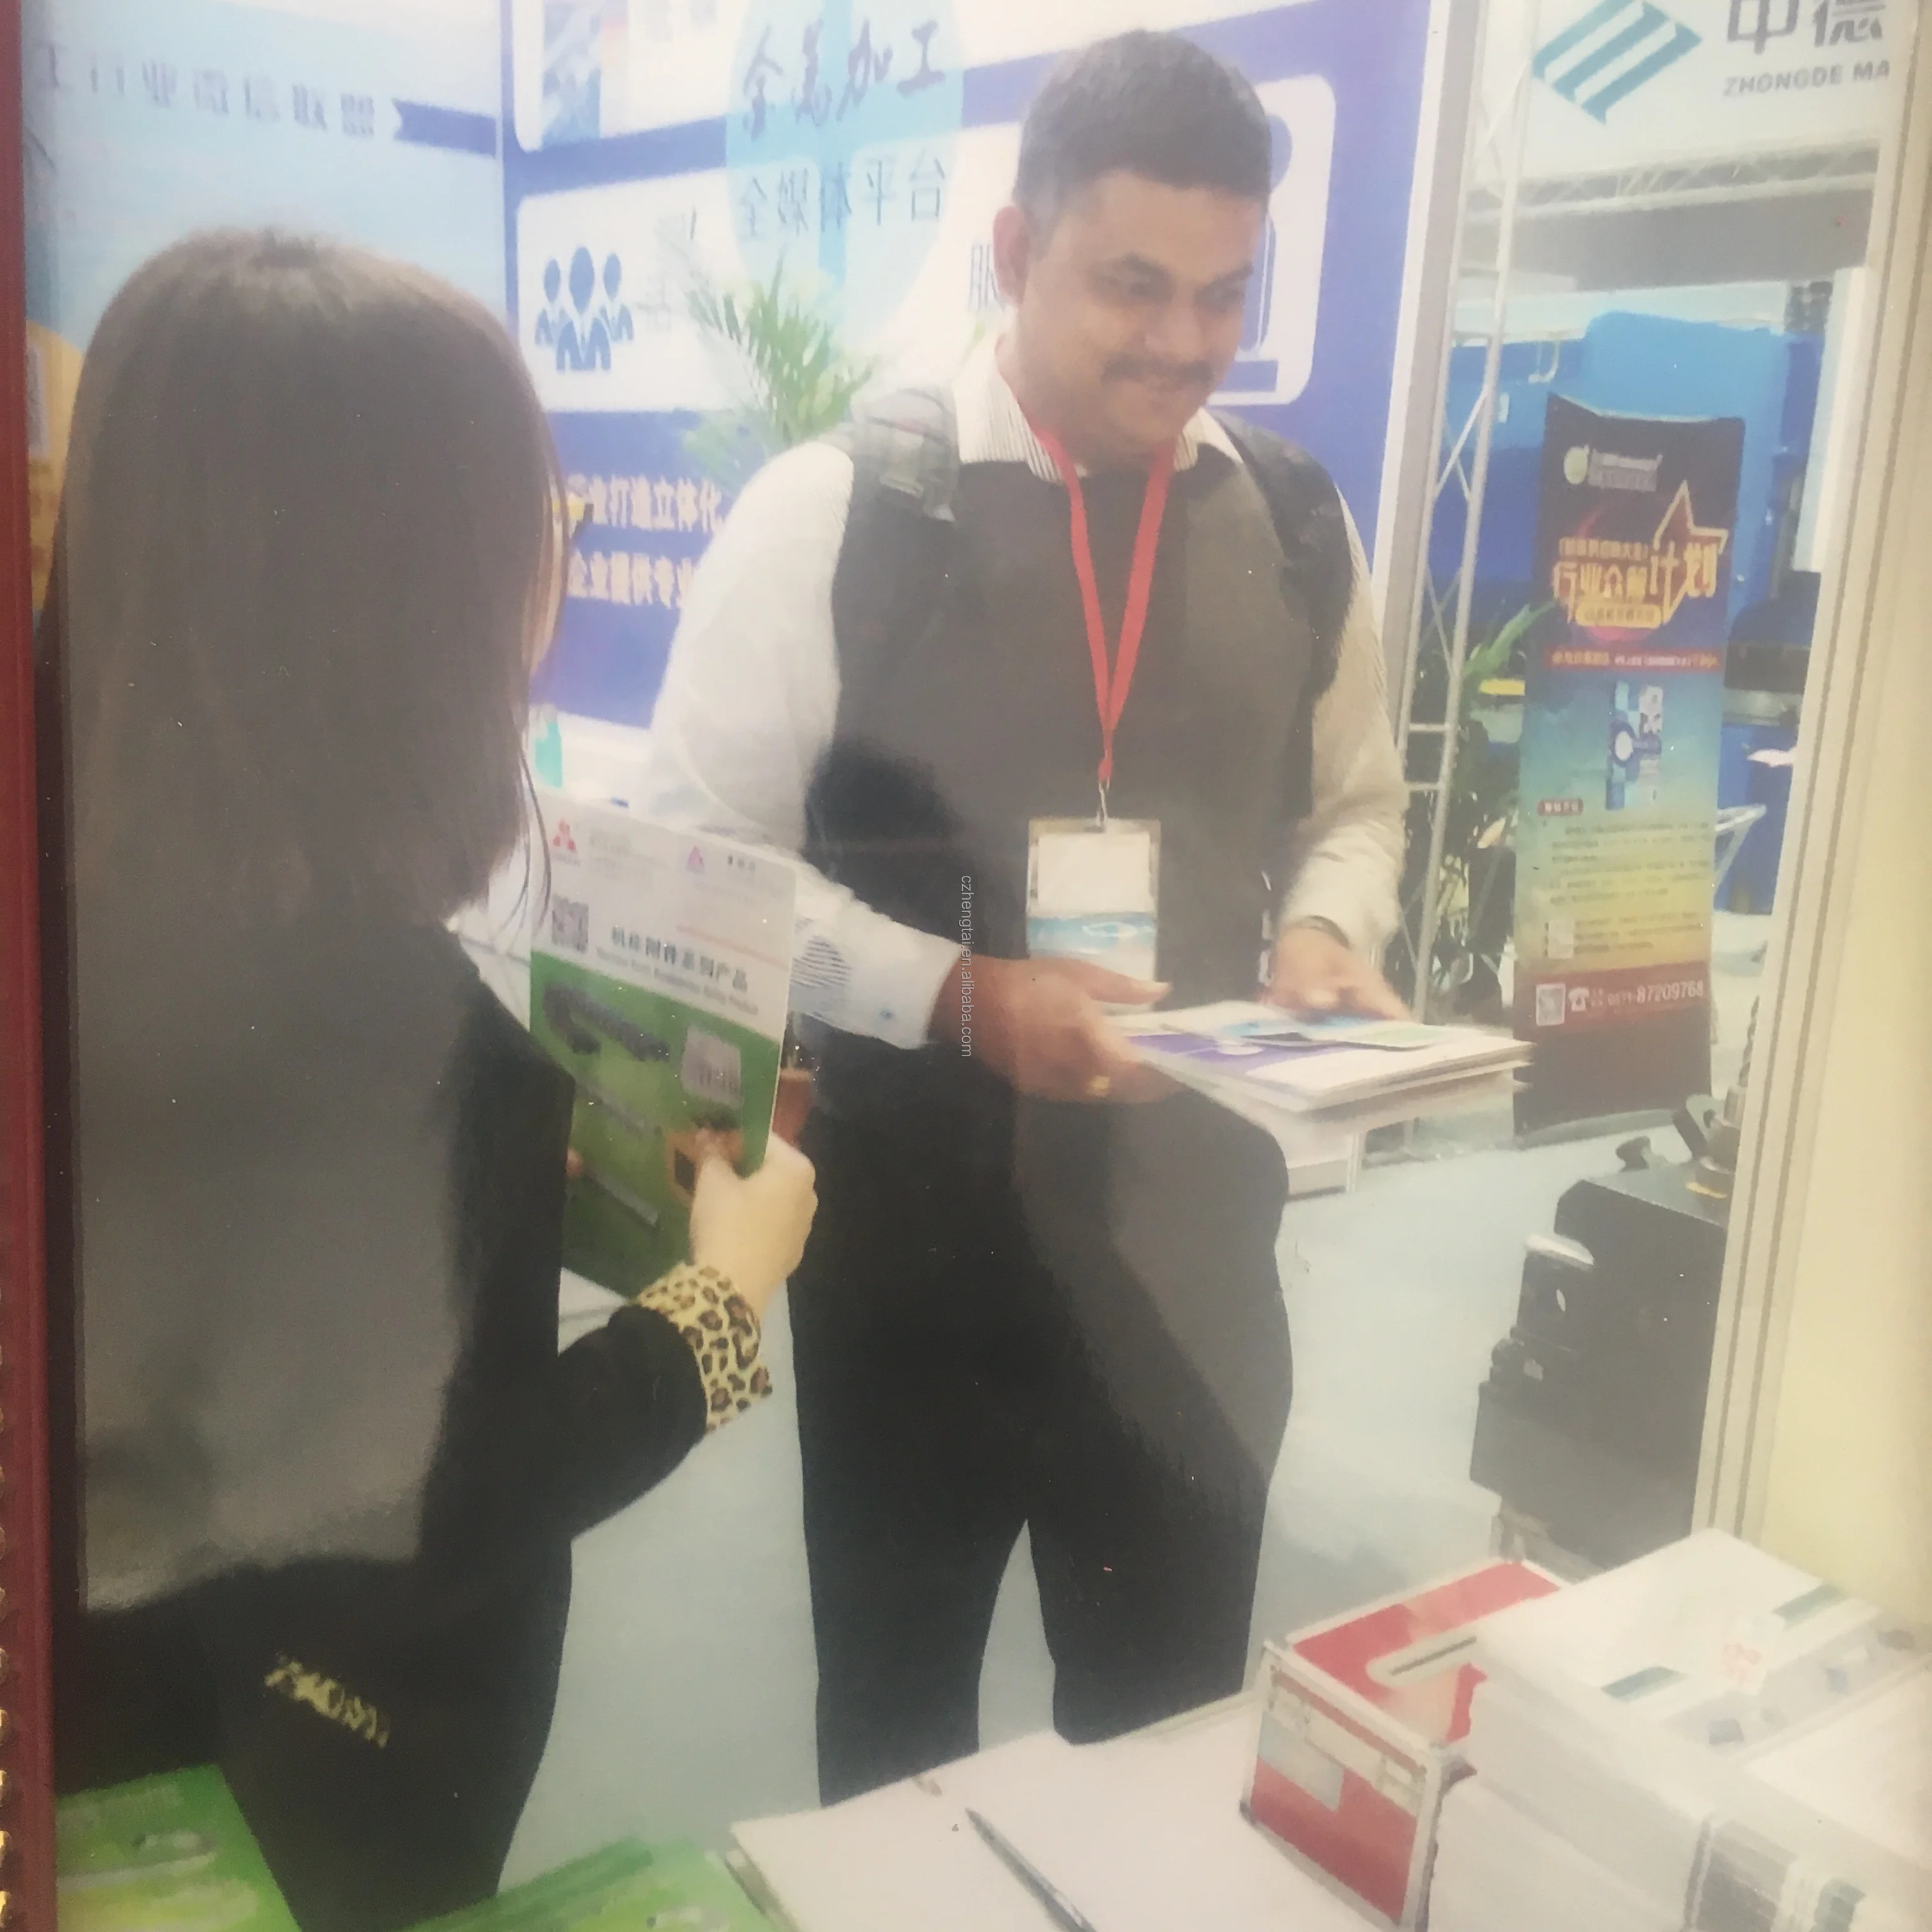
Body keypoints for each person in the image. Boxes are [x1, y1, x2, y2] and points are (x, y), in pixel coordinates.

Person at [641, 29, 1406, 1802]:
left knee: (1168, 1745)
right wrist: (954, 995)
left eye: (1224, 293)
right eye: (1132, 284)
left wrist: (1325, 929)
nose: (1184, 342)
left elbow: (1354, 806)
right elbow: (694, 855)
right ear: (1013, 250)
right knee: (893, 1743)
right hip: (916, 1267)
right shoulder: (841, 515)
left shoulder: (1293, 528)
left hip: (1188, 1269)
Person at [42, 229, 818, 1932]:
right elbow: (442, 1503)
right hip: (279, 1802)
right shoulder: (379, 1027)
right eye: (535, 539)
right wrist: (721, 1302)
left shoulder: (96, 917)